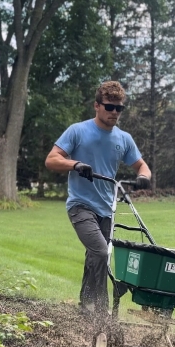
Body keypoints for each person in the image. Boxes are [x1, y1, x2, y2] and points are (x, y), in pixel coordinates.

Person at [45, 81, 151, 318]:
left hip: (107, 209)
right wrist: (75, 164)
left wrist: (143, 176)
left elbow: (141, 165)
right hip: (80, 205)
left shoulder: (123, 138)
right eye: (109, 107)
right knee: (101, 253)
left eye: (119, 109)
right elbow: (51, 159)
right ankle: (102, 311)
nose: (114, 113)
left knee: (95, 255)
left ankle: (85, 306)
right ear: (97, 106)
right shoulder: (78, 131)